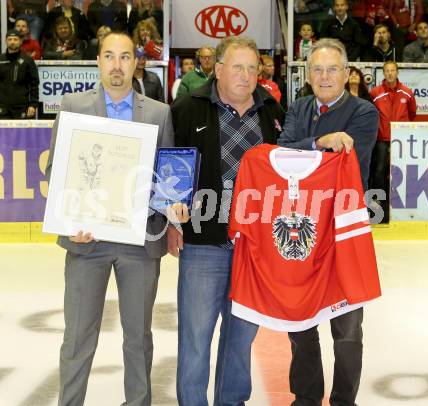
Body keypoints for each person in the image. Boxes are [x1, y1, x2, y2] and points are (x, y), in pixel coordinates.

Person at [45, 32, 175, 406]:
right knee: (78, 338)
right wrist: (72, 222)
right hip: (87, 242)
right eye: (109, 56)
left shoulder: (158, 112)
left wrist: (171, 207)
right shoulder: (72, 105)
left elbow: (165, 176)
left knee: (138, 338)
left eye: (125, 57)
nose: (117, 65)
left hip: (139, 243)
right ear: (98, 61)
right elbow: (57, 170)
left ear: (136, 63)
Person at [169, 35, 285, 406]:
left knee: (240, 341)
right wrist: (173, 222)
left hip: (254, 249)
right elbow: (171, 167)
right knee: (196, 340)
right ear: (218, 70)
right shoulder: (187, 108)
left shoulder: (272, 112)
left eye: (253, 68)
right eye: (237, 67)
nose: (246, 75)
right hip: (204, 246)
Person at [277, 38, 379, 406]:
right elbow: (281, 151)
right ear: (307, 74)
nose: (324, 76)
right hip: (301, 230)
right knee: (300, 322)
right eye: (316, 69)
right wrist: (320, 142)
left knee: (347, 328)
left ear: (347, 72)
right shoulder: (299, 106)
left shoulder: (364, 112)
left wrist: (306, 149)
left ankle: (343, 401)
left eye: (332, 69)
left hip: (343, 231)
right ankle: (304, 398)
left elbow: (344, 161)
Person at [370, 61, 416, 222]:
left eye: (392, 70)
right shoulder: (375, 93)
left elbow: (412, 113)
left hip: (401, 139)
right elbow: (372, 115)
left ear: (397, 72)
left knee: (402, 172)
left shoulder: (407, 93)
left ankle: (401, 206)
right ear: (383, 73)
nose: (390, 73)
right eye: (387, 71)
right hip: (382, 138)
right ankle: (378, 206)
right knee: (379, 171)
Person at [0, 29, 39, 119]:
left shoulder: (28, 61)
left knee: (22, 133)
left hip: (22, 108)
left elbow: (34, 84)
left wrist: (33, 104)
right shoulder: (1, 59)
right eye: (10, 39)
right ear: (6, 41)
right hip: (2, 109)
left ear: (21, 41)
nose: (12, 42)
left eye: (15, 39)